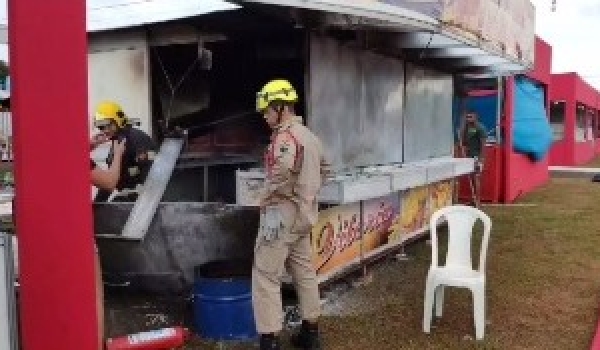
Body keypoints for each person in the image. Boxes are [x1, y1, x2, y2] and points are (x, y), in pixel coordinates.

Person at [253, 79, 329, 350]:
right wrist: (307, 193)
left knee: (265, 274)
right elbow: (326, 168)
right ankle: (311, 333)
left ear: (281, 107)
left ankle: (270, 340)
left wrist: (266, 196)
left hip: (281, 214)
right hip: (305, 215)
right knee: (304, 272)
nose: (264, 116)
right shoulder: (309, 135)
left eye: (267, 110)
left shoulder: (285, 137)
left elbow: (281, 171)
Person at [90, 137, 125, 350]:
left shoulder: (40, 150)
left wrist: (90, 145)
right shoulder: (77, 158)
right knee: (94, 297)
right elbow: (110, 182)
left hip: (49, 235)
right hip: (78, 236)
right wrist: (119, 153)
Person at [92, 101, 157, 201]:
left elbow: (151, 171)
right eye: (101, 127)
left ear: (118, 120)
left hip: (144, 199)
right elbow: (112, 178)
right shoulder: (117, 142)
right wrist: (96, 205)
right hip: (129, 195)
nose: (104, 130)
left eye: (107, 125)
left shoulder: (137, 137)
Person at [458, 111, 487, 206]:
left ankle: (477, 201)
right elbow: (463, 142)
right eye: (467, 117)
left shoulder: (480, 127)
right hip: (469, 157)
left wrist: (481, 158)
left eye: (470, 117)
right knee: (471, 178)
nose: (468, 119)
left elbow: (483, 144)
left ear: (476, 117)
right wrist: (462, 126)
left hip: (476, 157)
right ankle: (473, 199)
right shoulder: (467, 128)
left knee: (476, 178)